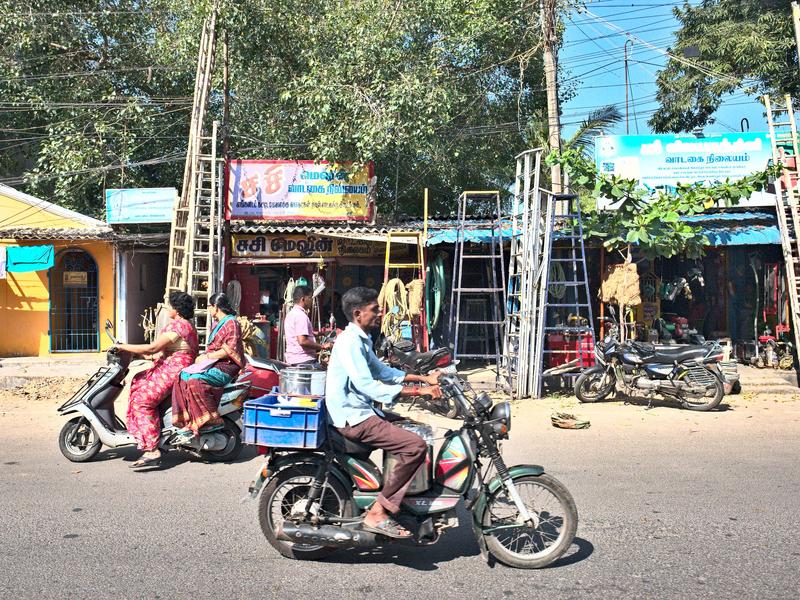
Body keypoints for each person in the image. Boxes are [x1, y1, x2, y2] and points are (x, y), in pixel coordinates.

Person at [326, 287, 442, 539]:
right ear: (358, 313)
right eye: (375, 310)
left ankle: (404, 495)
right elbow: (367, 385)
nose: (380, 314)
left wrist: (423, 378)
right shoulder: (349, 343)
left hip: (359, 411)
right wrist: (418, 392)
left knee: (411, 426)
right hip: (352, 416)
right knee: (415, 446)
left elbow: (383, 372)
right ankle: (379, 511)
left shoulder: (360, 339)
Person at [115, 292, 198, 468]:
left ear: (176, 309)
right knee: (138, 379)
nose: (167, 308)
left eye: (170, 305)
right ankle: (155, 432)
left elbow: (153, 347)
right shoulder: (186, 325)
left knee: (142, 401)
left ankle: (152, 449)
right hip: (172, 365)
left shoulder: (179, 326)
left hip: (173, 369)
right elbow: (168, 350)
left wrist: (122, 346)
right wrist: (145, 355)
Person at [171, 293, 244, 438]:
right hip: (212, 363)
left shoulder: (231, 323)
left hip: (226, 366)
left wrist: (207, 356)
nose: (208, 309)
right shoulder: (218, 323)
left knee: (195, 380)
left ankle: (211, 419)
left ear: (216, 307)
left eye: (209, 306)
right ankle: (188, 420)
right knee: (182, 376)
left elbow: (230, 349)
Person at [284, 285, 332, 366]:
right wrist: (322, 346)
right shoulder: (301, 316)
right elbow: (302, 341)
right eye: (310, 298)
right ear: (303, 299)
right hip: (304, 360)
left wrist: (321, 333)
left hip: (294, 359)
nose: (311, 301)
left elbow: (302, 333)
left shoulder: (291, 314)